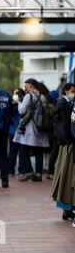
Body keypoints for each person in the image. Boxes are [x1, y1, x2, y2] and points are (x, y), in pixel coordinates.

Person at [13, 78, 51, 182]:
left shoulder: (29, 96)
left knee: (23, 149)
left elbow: (22, 110)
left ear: (31, 85)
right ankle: (38, 174)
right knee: (39, 150)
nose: (25, 87)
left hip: (30, 127)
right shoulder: (43, 96)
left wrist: (18, 102)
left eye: (26, 85)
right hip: (41, 126)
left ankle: (28, 172)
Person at [51, 83, 75, 222]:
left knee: (66, 177)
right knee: (67, 177)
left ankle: (67, 209)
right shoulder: (62, 103)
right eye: (72, 91)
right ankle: (67, 209)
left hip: (68, 144)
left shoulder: (68, 103)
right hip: (68, 145)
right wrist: (65, 139)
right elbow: (61, 124)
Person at [8, 88, 26, 176]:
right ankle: (11, 170)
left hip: (21, 130)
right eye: (14, 93)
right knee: (13, 151)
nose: (15, 95)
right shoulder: (12, 105)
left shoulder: (23, 105)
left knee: (21, 151)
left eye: (17, 93)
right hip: (13, 131)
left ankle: (21, 170)